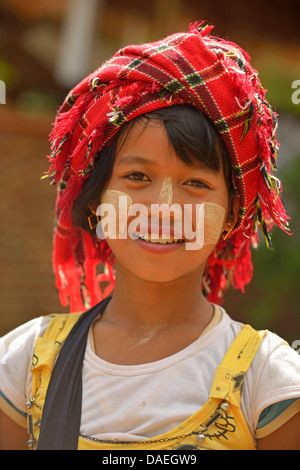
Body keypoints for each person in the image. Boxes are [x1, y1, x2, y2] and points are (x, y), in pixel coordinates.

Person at [0, 21, 299, 451]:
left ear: (232, 213)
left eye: (195, 183)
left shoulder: (269, 383)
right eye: (136, 176)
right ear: (97, 199)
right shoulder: (24, 366)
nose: (163, 207)